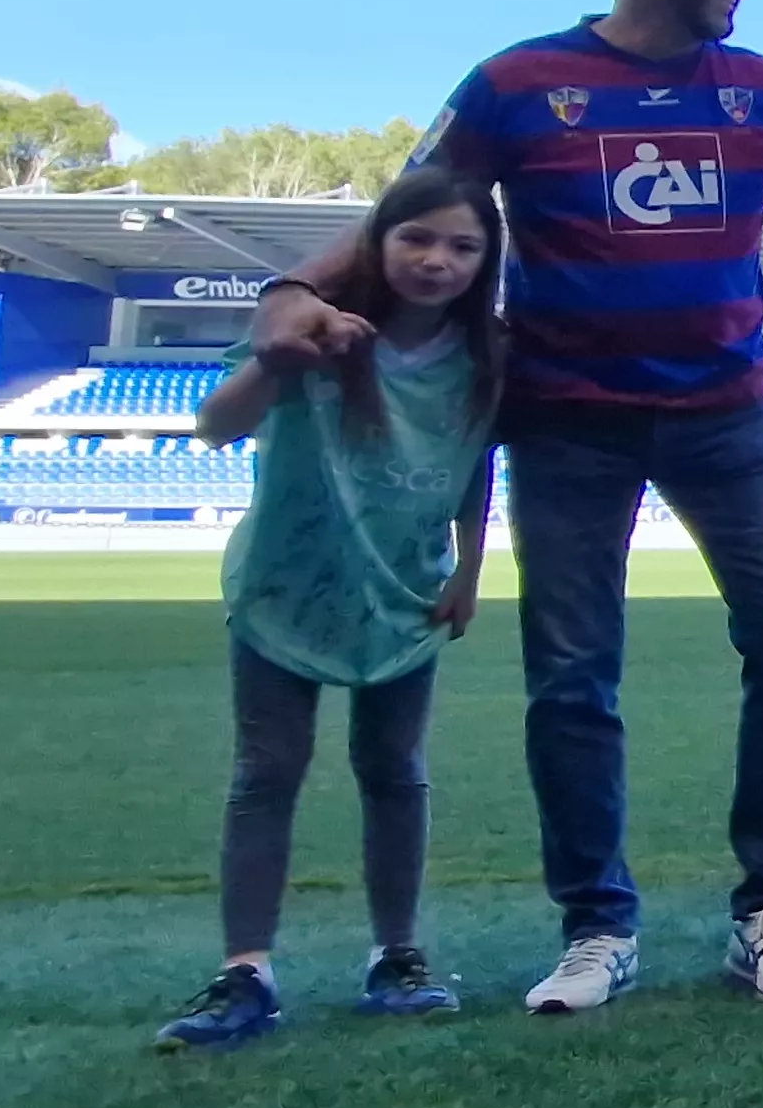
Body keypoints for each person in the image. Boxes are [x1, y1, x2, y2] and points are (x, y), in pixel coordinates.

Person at [249, 0, 763, 1013]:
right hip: (567, 416)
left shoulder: (762, 85)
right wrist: (290, 286)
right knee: (572, 673)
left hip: (727, 415)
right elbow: (403, 211)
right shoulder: (517, 82)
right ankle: (596, 924)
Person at [155, 173, 504, 1051]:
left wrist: (470, 561)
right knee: (265, 773)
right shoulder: (309, 331)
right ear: (377, 244)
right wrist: (277, 360)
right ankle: (246, 971)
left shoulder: (487, 353)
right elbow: (215, 426)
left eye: (464, 247)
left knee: (394, 771)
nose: (438, 261)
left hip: (403, 591)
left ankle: (398, 956)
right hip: (287, 583)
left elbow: (475, 458)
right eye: (417, 238)